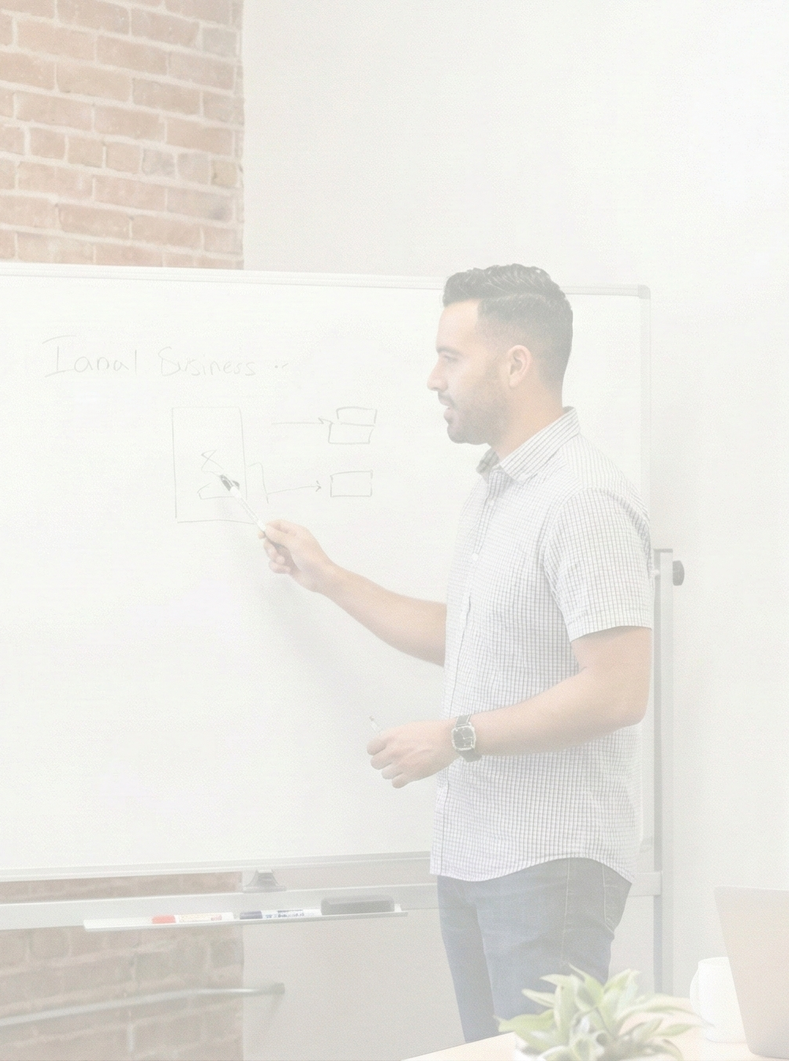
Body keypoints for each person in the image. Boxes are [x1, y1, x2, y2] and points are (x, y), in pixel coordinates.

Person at [259, 265, 655, 1040]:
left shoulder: (583, 499)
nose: (432, 377)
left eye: (450, 356)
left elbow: (617, 690)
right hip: (477, 858)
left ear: (516, 363)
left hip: (549, 864)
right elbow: (472, 637)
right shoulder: (500, 490)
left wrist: (455, 736)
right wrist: (331, 580)